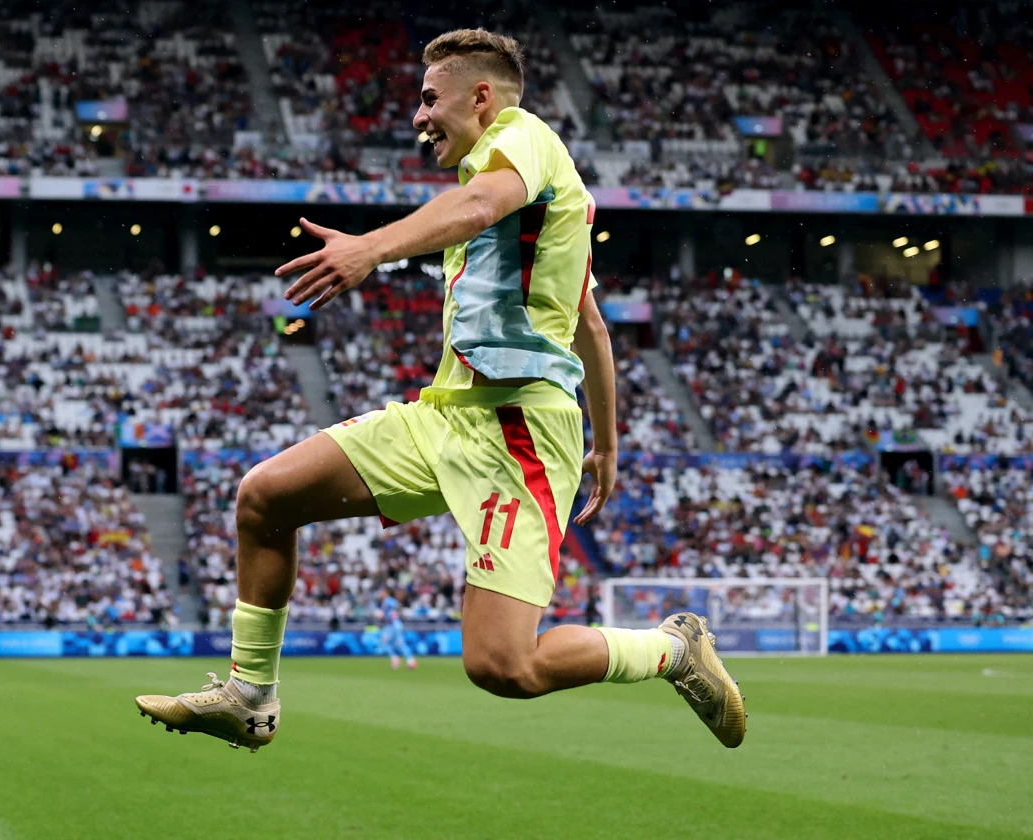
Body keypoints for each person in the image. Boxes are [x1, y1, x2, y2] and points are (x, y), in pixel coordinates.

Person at [135, 28, 745, 752]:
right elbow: (589, 322)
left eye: (430, 99)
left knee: (502, 666)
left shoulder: (527, 143)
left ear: (481, 97)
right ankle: (248, 697)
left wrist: (369, 248)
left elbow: (485, 202)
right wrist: (608, 441)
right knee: (264, 496)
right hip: (448, 415)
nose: (418, 117)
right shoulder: (529, 209)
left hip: (518, 435)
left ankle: (672, 650)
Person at [377, 590, 417, 671]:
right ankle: (409, 661)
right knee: (397, 643)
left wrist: (394, 614)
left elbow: (397, 606)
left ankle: (396, 659)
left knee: (386, 642)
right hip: (392, 625)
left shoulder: (388, 600)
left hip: (394, 625)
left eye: (382, 592)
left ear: (386, 593)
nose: (381, 593)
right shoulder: (385, 601)